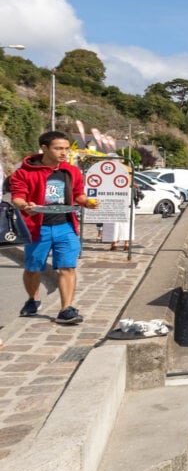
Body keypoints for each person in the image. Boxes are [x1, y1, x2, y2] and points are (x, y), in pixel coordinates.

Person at [9, 130, 99, 325]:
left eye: (66, 149)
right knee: (33, 268)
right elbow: (17, 196)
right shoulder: (24, 172)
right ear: (44, 148)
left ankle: (66, 309)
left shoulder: (71, 171)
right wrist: (26, 206)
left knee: (67, 267)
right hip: (37, 227)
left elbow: (78, 194)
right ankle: (33, 299)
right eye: (58, 148)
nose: (64, 153)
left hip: (65, 225)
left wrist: (87, 202)